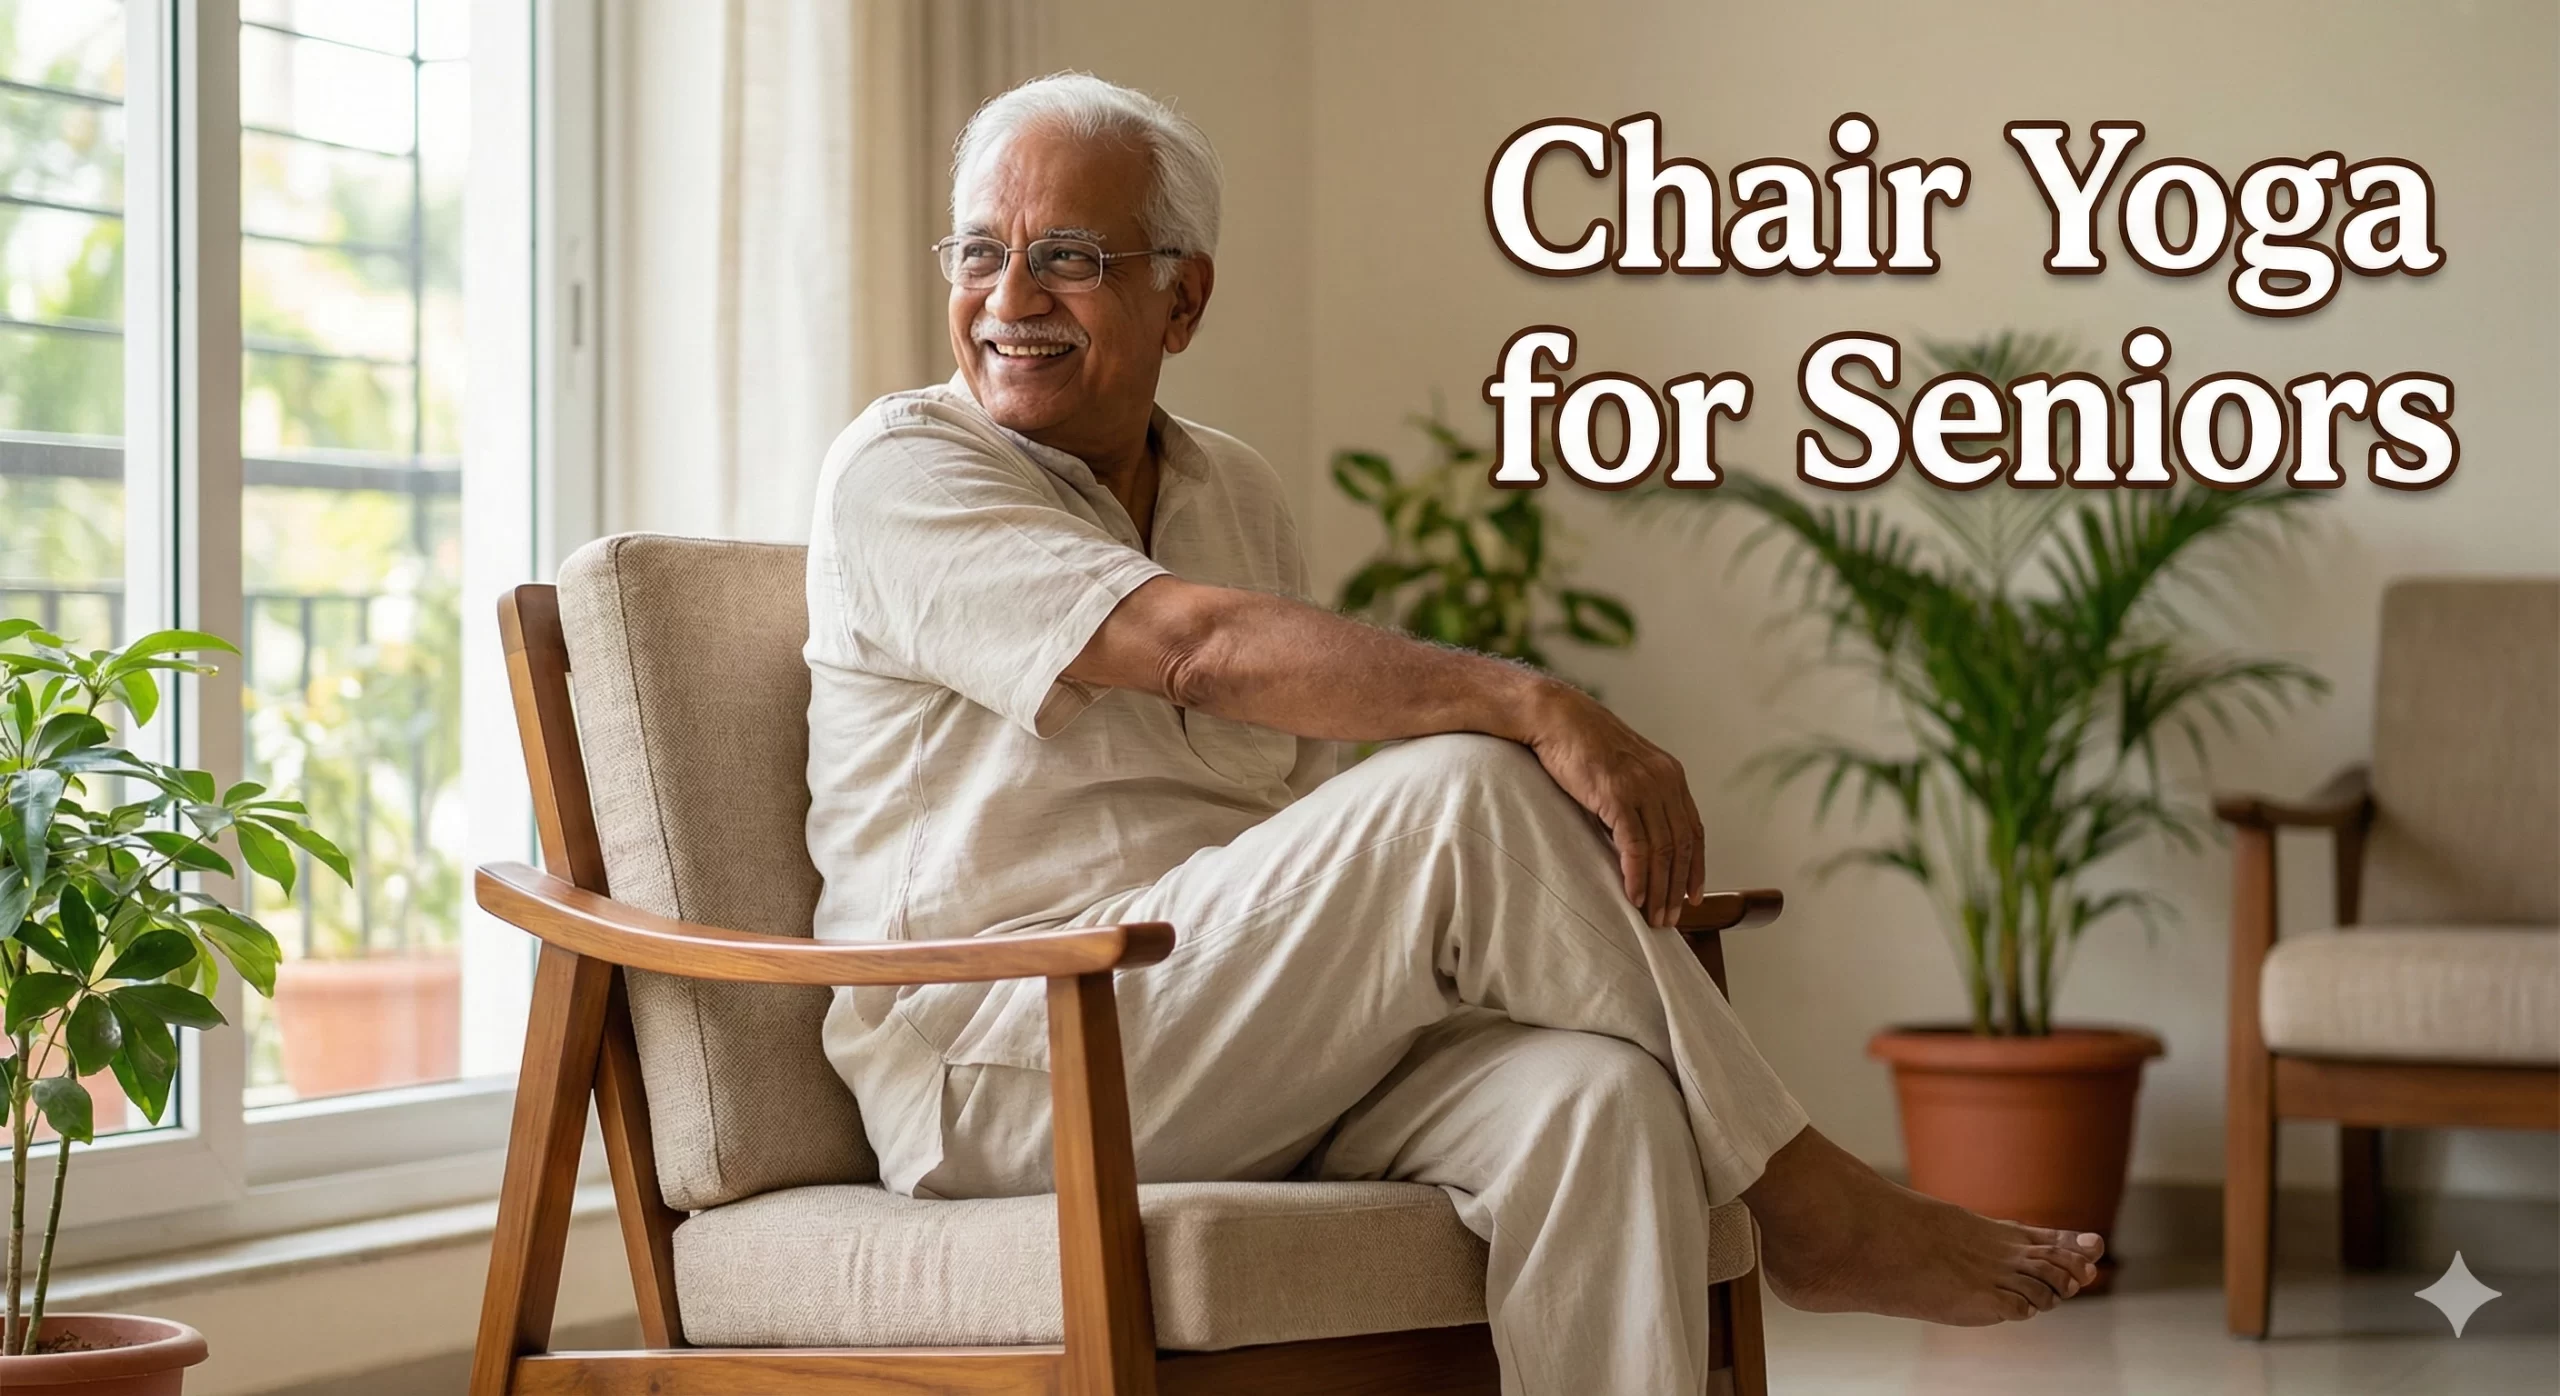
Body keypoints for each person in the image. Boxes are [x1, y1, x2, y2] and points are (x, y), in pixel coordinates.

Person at [803, 71, 2103, 1394]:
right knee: (1470, 785)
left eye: (1070, 257)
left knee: (1601, 1101)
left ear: (1182, 297)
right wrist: (1538, 700)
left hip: (1216, 1030)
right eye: (979, 250)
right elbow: (1189, 651)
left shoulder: (1231, 491)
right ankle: (1816, 1202)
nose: (1010, 299)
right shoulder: (905, 469)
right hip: (1010, 1056)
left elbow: (1285, 821)